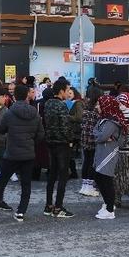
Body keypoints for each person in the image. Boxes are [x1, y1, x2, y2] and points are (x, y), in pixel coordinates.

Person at [0, 84, 45, 222]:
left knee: (1, 182)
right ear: (27, 95)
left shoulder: (9, 112)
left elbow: (1, 130)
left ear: (14, 96)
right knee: (26, 184)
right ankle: (21, 212)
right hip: (28, 153)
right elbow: (41, 133)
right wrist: (30, 142)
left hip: (11, 153)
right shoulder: (34, 112)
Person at [42, 79, 76, 218]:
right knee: (63, 175)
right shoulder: (61, 106)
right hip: (62, 144)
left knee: (52, 174)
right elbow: (65, 126)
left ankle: (49, 205)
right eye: (67, 89)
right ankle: (58, 207)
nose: (68, 92)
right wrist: (70, 140)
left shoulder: (48, 104)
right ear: (61, 91)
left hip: (50, 142)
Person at [92, 95, 125, 220]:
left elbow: (101, 137)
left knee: (105, 179)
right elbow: (96, 133)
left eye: (99, 105)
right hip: (103, 152)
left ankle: (110, 209)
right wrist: (100, 136)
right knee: (101, 178)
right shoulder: (104, 119)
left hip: (109, 154)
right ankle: (107, 204)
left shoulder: (111, 122)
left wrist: (101, 136)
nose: (97, 107)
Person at [78, 86, 101, 197]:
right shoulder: (96, 109)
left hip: (84, 137)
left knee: (86, 161)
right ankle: (90, 187)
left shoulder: (86, 107)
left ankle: (84, 186)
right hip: (93, 139)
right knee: (92, 162)